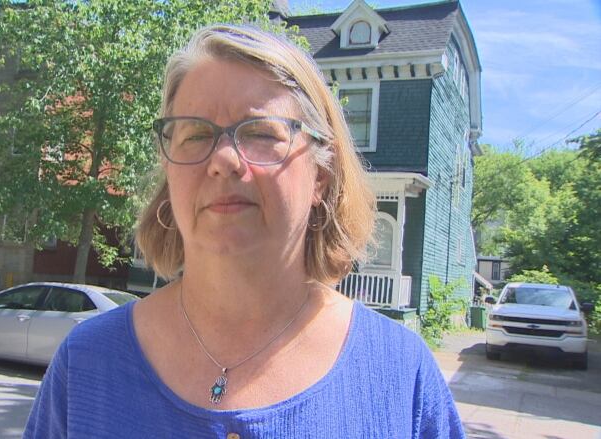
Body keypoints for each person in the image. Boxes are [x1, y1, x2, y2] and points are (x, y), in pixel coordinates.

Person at [24, 24, 465, 438]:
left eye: (259, 132)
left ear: (321, 176)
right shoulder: (87, 365)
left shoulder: (400, 376)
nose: (224, 159)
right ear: (168, 168)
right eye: (195, 135)